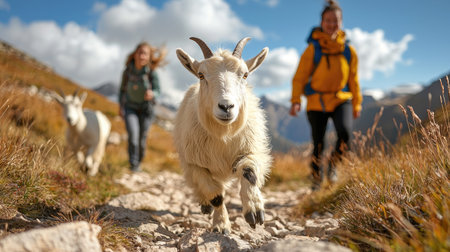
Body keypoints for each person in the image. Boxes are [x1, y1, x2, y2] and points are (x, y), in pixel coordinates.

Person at [290, 0, 362, 190]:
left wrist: (357, 103)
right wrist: (296, 100)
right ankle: (316, 179)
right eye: (328, 20)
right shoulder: (312, 49)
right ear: (322, 22)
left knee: (345, 135)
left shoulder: (349, 51)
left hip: (341, 99)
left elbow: (353, 80)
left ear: (341, 22)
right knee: (318, 143)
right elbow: (299, 77)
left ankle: (332, 167)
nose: (331, 24)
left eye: (335, 21)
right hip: (316, 101)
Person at [119, 42, 167, 172]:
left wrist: (152, 93)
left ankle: (139, 162)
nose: (141, 56)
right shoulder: (127, 72)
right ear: (135, 54)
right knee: (133, 136)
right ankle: (133, 165)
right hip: (130, 108)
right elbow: (122, 90)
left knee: (141, 139)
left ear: (149, 57)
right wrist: (120, 107)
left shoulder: (152, 73)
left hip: (146, 110)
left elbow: (158, 90)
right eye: (139, 52)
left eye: (145, 53)